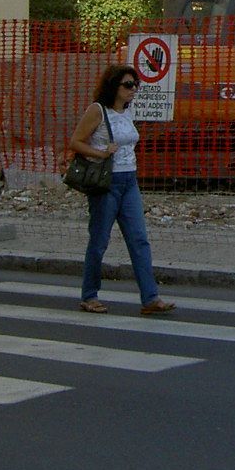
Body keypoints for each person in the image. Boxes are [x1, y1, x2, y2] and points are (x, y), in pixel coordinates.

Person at [69, 64, 173, 316]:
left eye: (136, 85)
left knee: (139, 239)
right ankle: (89, 295)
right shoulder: (97, 111)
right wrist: (102, 152)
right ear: (113, 86)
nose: (133, 90)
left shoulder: (127, 111)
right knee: (99, 240)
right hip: (106, 183)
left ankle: (150, 297)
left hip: (129, 180)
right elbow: (76, 142)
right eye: (128, 85)